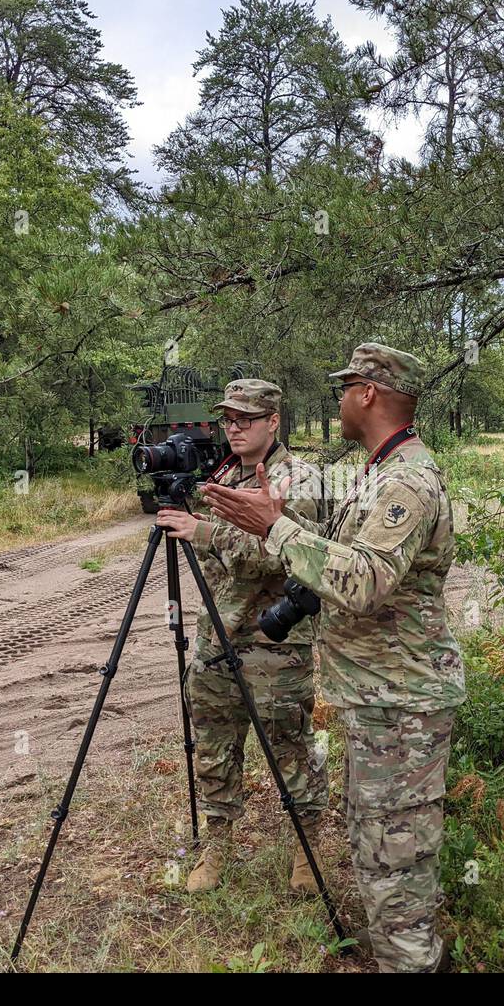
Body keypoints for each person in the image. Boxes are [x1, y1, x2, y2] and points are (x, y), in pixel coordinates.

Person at [201, 345, 464, 972]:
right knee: (376, 848)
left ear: (369, 394)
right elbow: (337, 573)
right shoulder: (378, 469)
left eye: (347, 388)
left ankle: (412, 960)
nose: (341, 399)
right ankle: (407, 951)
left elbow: (364, 580)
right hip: (379, 700)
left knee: (392, 856)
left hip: (401, 703)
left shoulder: (405, 479)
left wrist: (277, 528)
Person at [154, 378, 327, 893]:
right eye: (228, 419)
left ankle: (306, 848)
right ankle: (217, 846)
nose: (234, 428)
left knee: (290, 747)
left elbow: (286, 551)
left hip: (275, 642)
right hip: (217, 635)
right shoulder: (222, 475)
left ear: (273, 421)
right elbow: (216, 552)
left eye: (245, 419)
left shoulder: (299, 477)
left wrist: (204, 532)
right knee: (213, 744)